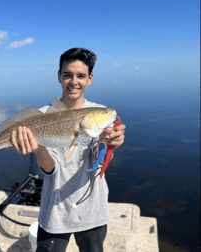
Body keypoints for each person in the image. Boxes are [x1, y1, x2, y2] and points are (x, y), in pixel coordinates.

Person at [9, 48, 126, 252]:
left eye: (81, 76)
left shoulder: (97, 111)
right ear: (59, 76)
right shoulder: (44, 116)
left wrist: (112, 141)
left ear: (90, 78)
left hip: (93, 210)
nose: (74, 82)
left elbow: (104, 144)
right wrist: (38, 149)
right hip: (55, 211)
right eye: (67, 75)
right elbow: (50, 169)